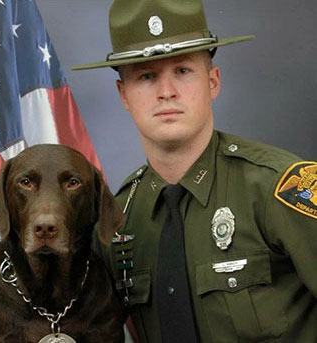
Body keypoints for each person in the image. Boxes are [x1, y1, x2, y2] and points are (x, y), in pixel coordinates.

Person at [74, 0, 317, 341]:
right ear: (123, 95)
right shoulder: (120, 221)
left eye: (183, 71)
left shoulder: (278, 187)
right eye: (147, 76)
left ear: (213, 81)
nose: (166, 92)